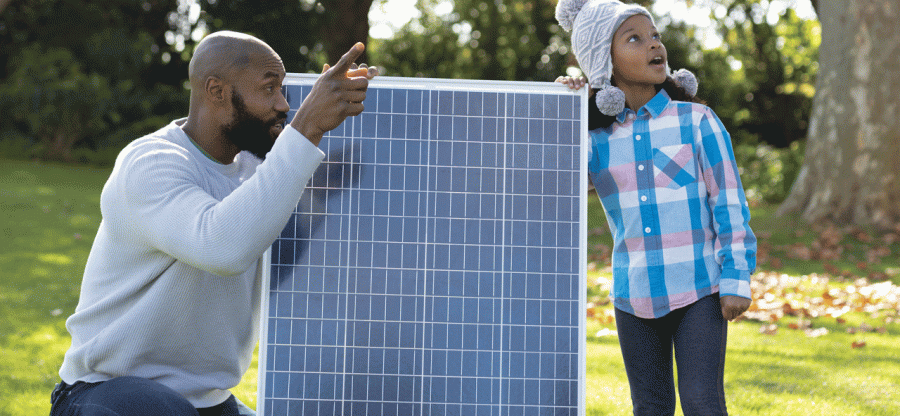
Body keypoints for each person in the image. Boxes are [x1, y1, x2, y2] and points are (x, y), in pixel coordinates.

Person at [50, 31, 378, 416]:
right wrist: (306, 128)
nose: (283, 105)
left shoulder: (258, 171)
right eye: (269, 88)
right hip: (105, 393)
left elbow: (283, 260)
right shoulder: (151, 163)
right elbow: (222, 246)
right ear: (217, 91)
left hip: (209, 404)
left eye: (284, 90)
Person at [554, 1, 756, 414]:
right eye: (634, 38)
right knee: (649, 406)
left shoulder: (697, 120)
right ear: (603, 62)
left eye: (654, 36)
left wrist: (736, 276)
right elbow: (551, 182)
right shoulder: (594, 140)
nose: (653, 45)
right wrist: (563, 109)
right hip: (633, 296)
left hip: (700, 289)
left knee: (702, 402)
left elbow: (729, 203)